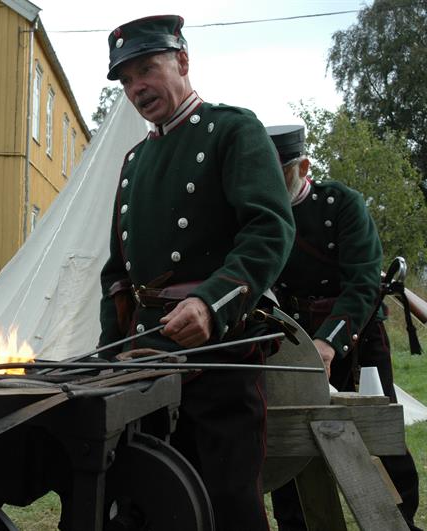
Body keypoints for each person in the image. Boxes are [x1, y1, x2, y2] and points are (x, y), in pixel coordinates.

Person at [98, 15, 295, 530]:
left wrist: (212, 303)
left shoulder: (234, 129)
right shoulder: (135, 161)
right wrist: (107, 355)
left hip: (220, 355)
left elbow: (270, 230)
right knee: (148, 500)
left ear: (182, 61)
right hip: (144, 361)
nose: (137, 87)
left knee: (226, 504)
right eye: (126, 79)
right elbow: (118, 276)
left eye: (147, 68)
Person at [267, 125, 422, 531]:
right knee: (288, 441)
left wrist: (330, 341)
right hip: (293, 341)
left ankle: (398, 520)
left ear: (302, 166)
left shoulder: (342, 204)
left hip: (357, 334)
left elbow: (364, 283)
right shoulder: (257, 216)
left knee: (381, 437)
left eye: (278, 172)